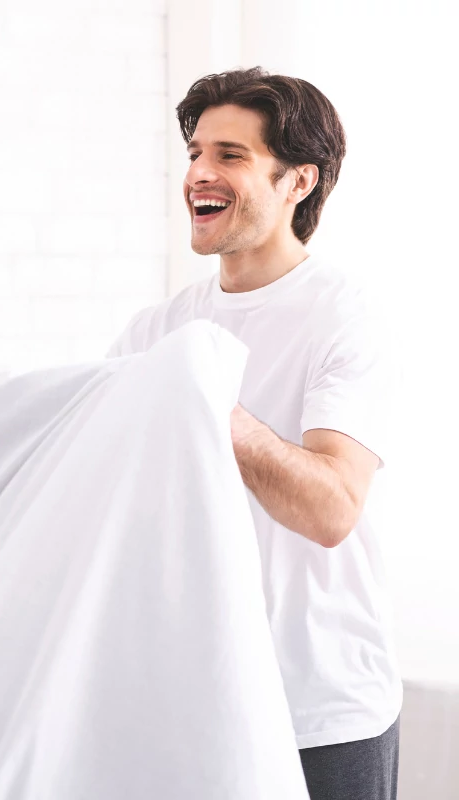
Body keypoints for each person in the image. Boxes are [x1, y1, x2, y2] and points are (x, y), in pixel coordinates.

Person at [107, 68, 400, 800]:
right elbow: (78, 470)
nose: (199, 174)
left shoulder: (345, 317)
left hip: (321, 713)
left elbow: (332, 509)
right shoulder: (155, 330)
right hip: (194, 709)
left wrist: (212, 404)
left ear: (299, 180)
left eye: (230, 155)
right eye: (195, 154)